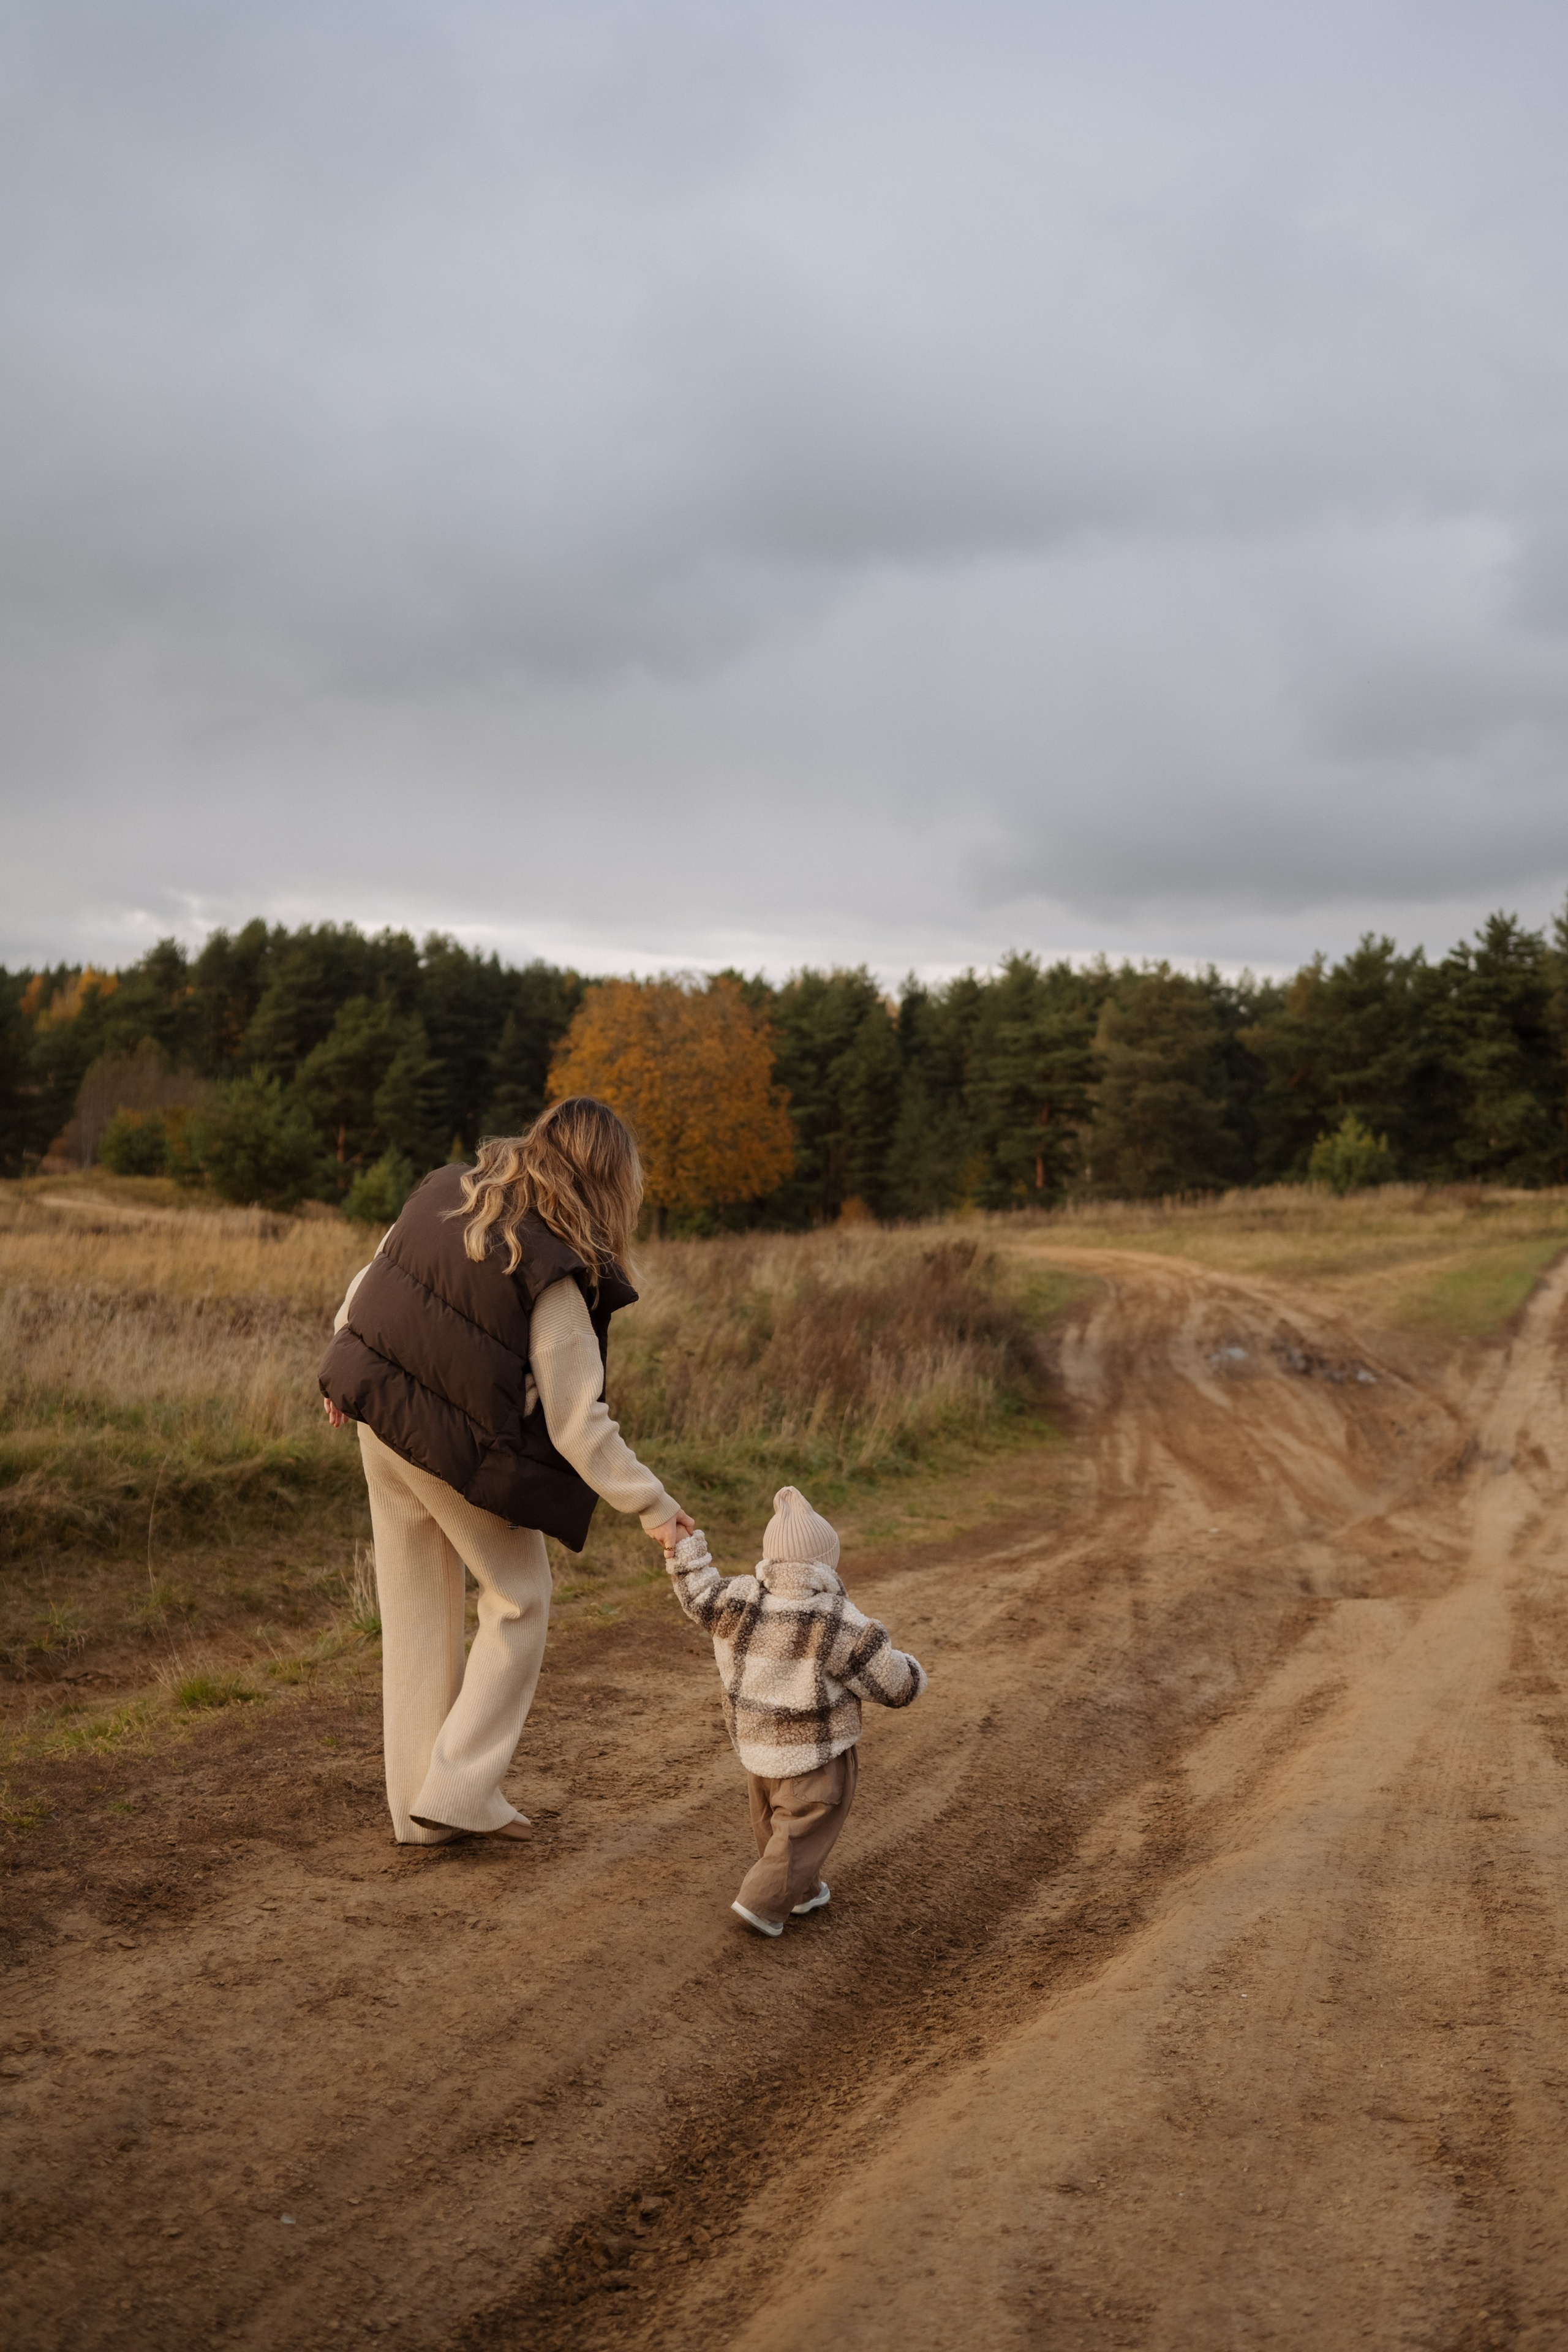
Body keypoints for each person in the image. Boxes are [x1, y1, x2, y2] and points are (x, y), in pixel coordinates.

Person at [318, 1098, 692, 1848]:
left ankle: (417, 1811)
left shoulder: (446, 1192)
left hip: (379, 1425)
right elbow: (577, 1421)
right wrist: (655, 1507)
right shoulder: (550, 1266)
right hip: (450, 1449)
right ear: (607, 1182)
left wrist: (341, 1368)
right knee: (520, 1597)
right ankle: (458, 1791)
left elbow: (368, 1285)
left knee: (417, 1613)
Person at [663, 1487, 926, 1937]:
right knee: (805, 1828)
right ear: (825, 1564)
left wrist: (683, 1545)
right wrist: (914, 1674)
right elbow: (890, 1682)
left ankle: (800, 1893)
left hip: (758, 1751)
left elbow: (697, 1592)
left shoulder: (740, 1600)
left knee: (776, 1828)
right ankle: (761, 1903)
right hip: (816, 1756)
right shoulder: (835, 1618)